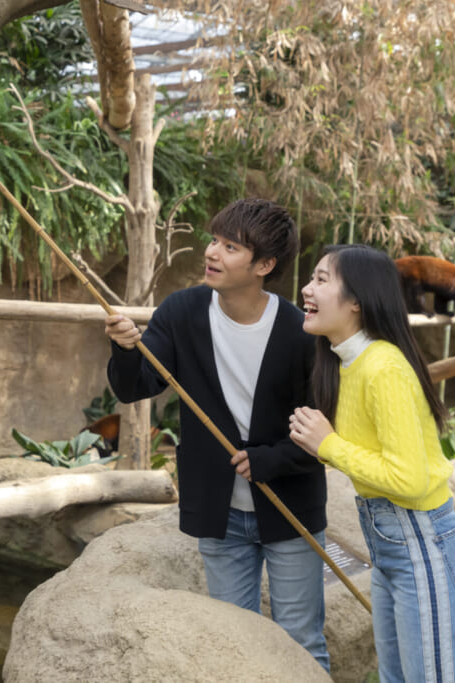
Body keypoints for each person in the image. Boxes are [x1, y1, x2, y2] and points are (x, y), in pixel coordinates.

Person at [106, 197, 329, 671]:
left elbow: (324, 429)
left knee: (302, 643)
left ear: (264, 265)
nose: (212, 252)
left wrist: (271, 459)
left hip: (290, 508)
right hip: (220, 511)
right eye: (214, 240)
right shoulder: (183, 311)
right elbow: (136, 387)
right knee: (233, 644)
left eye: (231, 247)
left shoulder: (300, 330)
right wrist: (126, 349)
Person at [289, 244, 455, 683]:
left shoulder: (383, 367)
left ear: (357, 301)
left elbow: (410, 480)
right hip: (395, 547)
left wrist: (329, 446)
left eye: (321, 280)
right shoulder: (347, 363)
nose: (306, 288)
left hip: (423, 545)